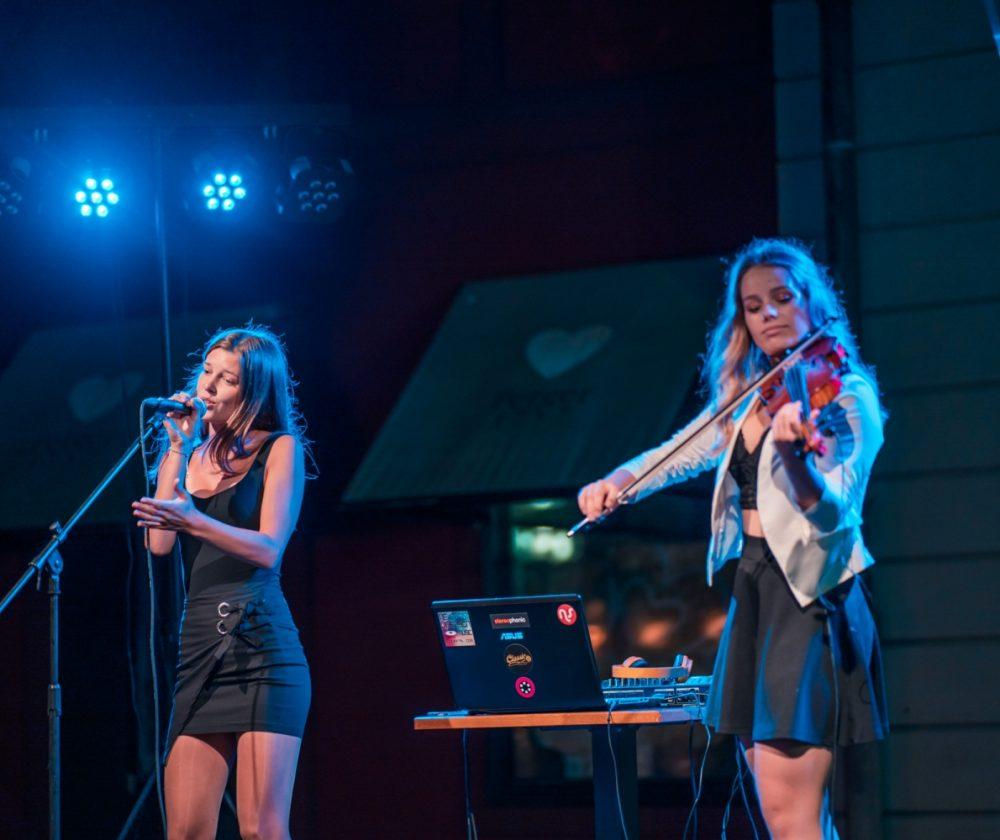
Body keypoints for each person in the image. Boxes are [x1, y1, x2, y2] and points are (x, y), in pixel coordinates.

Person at [576, 239, 888, 840]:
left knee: (790, 813)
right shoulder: (753, 397)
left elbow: (834, 518)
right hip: (755, 583)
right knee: (781, 811)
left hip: (808, 593)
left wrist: (795, 459)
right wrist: (617, 483)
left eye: (782, 298)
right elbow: (680, 451)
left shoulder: (847, 397)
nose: (768, 313)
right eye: (752, 305)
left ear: (812, 302)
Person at [132, 324, 312, 840]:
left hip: (262, 650)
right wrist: (177, 449)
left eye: (226, 379)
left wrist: (195, 521)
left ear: (252, 391)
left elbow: (269, 548)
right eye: (207, 372)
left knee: (260, 828)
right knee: (187, 828)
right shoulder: (189, 455)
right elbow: (158, 543)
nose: (207, 387)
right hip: (199, 653)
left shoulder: (278, 449)